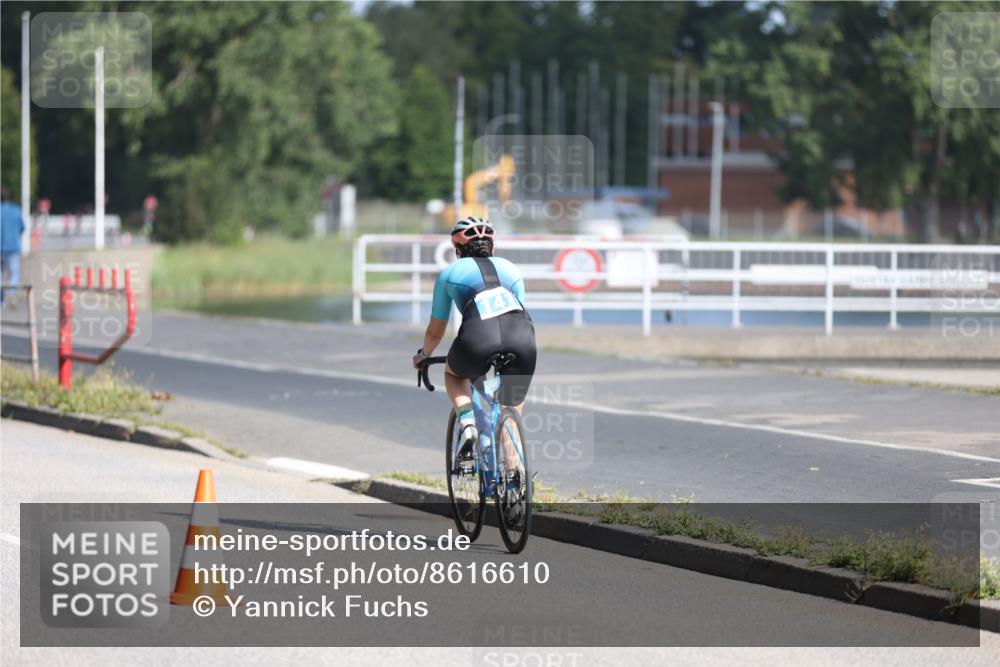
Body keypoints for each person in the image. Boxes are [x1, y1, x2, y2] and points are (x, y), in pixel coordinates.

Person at [412, 216, 537, 464]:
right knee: (509, 410)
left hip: (477, 339)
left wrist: (423, 355)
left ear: (458, 249)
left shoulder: (450, 273)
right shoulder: (512, 269)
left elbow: (436, 332)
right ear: (492, 246)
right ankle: (516, 476)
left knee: (454, 374)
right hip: (522, 338)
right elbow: (518, 312)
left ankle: (467, 422)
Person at [0, 187, 25, 306]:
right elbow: (22, 228)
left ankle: (1, 300)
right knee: (14, 273)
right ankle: (11, 292)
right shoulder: (16, 210)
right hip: (13, 247)